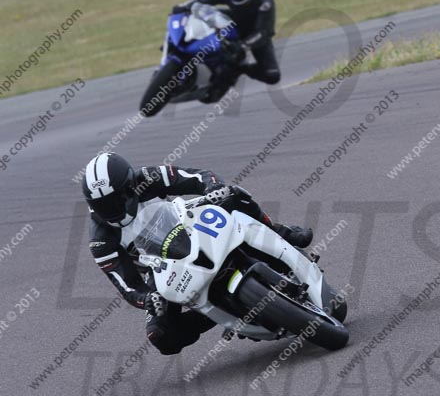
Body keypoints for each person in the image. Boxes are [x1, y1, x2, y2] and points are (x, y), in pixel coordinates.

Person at [82, 152, 312, 355]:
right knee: (161, 337)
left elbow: (199, 177)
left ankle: (280, 231)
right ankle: (214, 314)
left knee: (233, 194)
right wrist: (147, 299)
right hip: (161, 270)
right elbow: (128, 286)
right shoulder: (101, 241)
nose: (113, 210)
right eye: (104, 205)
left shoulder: (149, 178)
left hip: (190, 227)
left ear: (130, 185)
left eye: (117, 200)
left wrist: (213, 188)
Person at [176, 0, 280, 100]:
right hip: (232, 23)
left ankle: (239, 69)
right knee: (202, 13)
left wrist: (243, 46)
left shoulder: (265, 1)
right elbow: (202, 1)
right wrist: (183, 6)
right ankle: (182, 45)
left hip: (255, 33)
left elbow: (264, 32)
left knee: (272, 75)